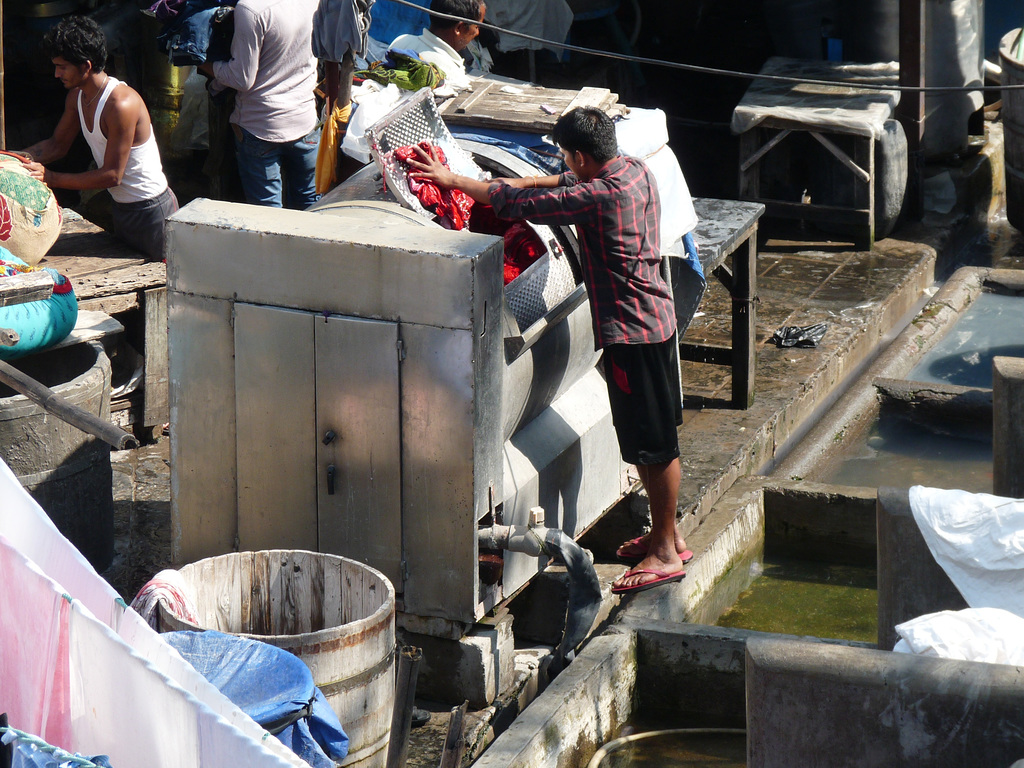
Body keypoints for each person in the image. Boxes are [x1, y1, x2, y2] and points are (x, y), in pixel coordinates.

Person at [406, 107, 689, 594]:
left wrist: (451, 179)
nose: (563, 163)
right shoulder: (633, 169)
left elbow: (511, 205)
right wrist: (541, 177)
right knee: (647, 438)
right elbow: (557, 182)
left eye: (566, 155)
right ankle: (669, 535)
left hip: (632, 333)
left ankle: (665, 553)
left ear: (582, 156)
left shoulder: (596, 198)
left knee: (655, 444)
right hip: (655, 320)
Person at [21, 15, 178, 261]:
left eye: (62, 66)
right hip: (122, 208)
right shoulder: (77, 97)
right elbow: (56, 146)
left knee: (165, 281)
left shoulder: (121, 104)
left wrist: (51, 178)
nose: (56, 74)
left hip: (152, 211)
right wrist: (12, 159)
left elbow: (112, 175)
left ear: (86, 65)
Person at [197, 0, 320, 209]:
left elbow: (241, 78)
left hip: (260, 127)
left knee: (267, 216)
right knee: (309, 205)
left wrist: (201, 61)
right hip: (305, 122)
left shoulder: (251, 9)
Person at [389, 0, 486, 91]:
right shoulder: (451, 74)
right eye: (476, 27)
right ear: (458, 28)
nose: (477, 33)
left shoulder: (401, 41)